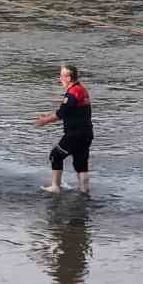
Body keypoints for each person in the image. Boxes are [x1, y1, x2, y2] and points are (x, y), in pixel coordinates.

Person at [34, 64, 93, 194]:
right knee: (81, 164)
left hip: (74, 135)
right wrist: (48, 116)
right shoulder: (82, 90)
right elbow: (71, 112)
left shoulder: (72, 93)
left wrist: (44, 121)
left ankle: (55, 187)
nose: (59, 78)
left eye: (61, 76)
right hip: (87, 133)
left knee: (55, 156)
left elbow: (62, 113)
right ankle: (84, 191)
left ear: (69, 77)